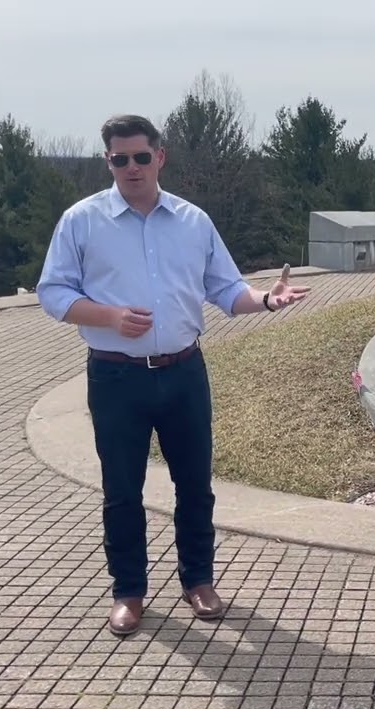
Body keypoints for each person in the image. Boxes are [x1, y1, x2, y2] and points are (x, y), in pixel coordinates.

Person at [35, 114, 311, 637]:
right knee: (122, 490)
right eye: (120, 159)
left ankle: (199, 581)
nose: (132, 167)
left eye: (142, 156)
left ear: (160, 157)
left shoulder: (192, 221)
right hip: (116, 377)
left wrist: (265, 300)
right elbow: (53, 292)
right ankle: (128, 591)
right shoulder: (82, 221)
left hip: (184, 371)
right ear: (108, 161)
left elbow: (226, 289)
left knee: (195, 485)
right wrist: (109, 316)